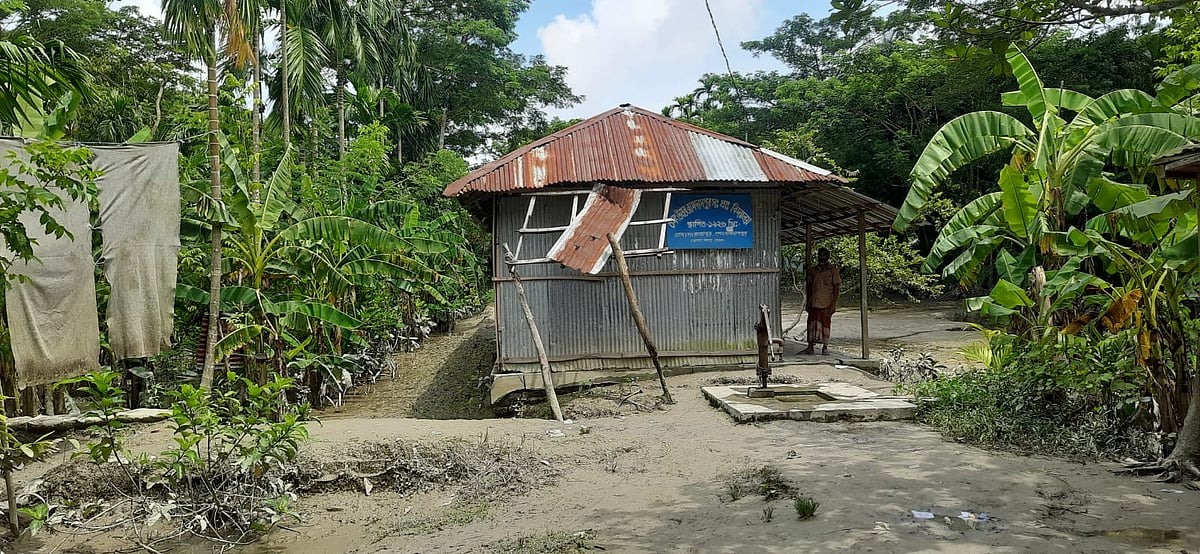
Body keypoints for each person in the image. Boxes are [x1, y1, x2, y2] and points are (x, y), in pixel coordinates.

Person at [803, 247, 841, 355]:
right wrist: (808, 302)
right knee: (811, 324)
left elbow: (837, 287)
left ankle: (825, 347)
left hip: (826, 303)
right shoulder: (813, 270)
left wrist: (833, 304)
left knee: (825, 325)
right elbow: (809, 286)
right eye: (820, 255)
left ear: (828, 257)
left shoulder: (833, 270)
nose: (822, 257)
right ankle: (810, 346)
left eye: (824, 255)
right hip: (814, 302)